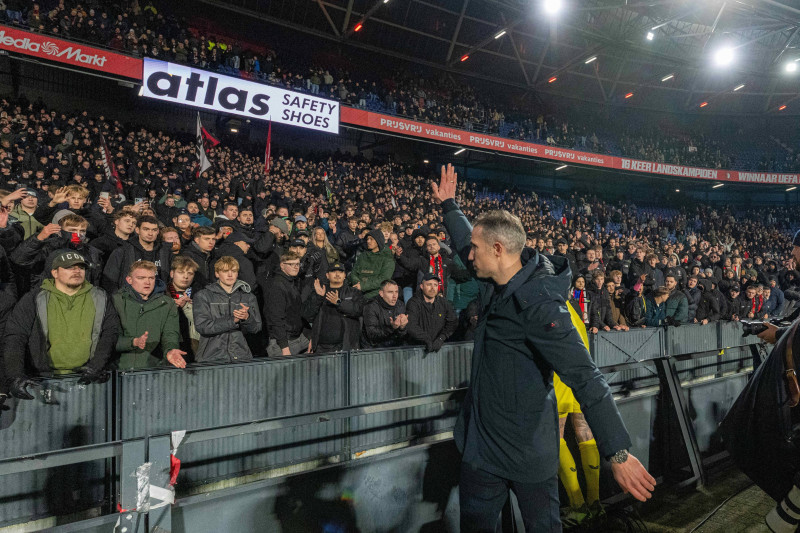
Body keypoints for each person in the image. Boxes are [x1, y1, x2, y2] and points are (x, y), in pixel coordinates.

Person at [433, 164, 654, 532]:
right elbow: (464, 242)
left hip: (529, 458)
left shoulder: (542, 306)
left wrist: (617, 452)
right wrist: (450, 206)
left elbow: (585, 376)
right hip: (482, 453)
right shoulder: (494, 279)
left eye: (476, 249)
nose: (469, 256)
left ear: (499, 250)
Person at [2, 250, 120, 399]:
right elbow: (15, 336)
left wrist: (97, 366)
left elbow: (110, 332)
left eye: (81, 267)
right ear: (55, 273)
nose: (77, 271)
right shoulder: (34, 298)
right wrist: (15, 375)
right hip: (43, 381)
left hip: (88, 380)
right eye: (69, 267)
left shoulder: (101, 297)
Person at [112, 260, 185, 369]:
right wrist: (134, 342)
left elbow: (170, 334)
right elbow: (110, 339)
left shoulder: (167, 303)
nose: (147, 282)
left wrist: (170, 350)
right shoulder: (116, 301)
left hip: (153, 368)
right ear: (129, 280)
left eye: (151, 278)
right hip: (120, 368)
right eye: (141, 278)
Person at [193, 256, 261, 362]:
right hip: (211, 358)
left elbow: (256, 327)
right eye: (225, 271)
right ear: (217, 274)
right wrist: (233, 320)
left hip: (240, 356)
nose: (230, 275)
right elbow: (202, 326)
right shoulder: (203, 296)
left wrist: (247, 318)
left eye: (233, 271)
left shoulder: (248, 296)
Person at [303, 262, 364, 353]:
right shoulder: (319, 291)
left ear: (345, 275)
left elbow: (359, 310)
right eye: (333, 271)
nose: (337, 274)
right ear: (327, 275)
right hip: (321, 346)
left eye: (340, 272)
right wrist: (318, 297)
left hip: (346, 346)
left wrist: (339, 303)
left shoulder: (354, 293)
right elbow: (307, 316)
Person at [102, 215, 173, 293]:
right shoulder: (122, 251)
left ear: (158, 232)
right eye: (146, 229)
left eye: (154, 230)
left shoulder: (165, 252)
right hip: (129, 300)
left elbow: (171, 280)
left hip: (159, 300)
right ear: (137, 230)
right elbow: (109, 281)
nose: (150, 233)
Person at [264, 251, 310, 356]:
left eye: (297, 264)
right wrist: (284, 347)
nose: (295, 267)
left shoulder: (292, 282)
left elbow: (298, 313)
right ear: (282, 266)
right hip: (283, 343)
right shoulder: (277, 286)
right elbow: (275, 319)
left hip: (297, 337)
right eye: (291, 264)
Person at [406, 273, 458, 352]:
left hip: (438, 348)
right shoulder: (413, 303)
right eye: (429, 284)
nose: (433, 288)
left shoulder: (443, 302)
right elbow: (411, 325)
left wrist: (441, 338)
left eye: (435, 285)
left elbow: (453, 322)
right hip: (417, 349)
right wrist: (426, 339)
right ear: (421, 286)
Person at [349, 229, 395, 300]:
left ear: (378, 241)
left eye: (371, 239)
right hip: (357, 290)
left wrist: (363, 286)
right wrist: (357, 284)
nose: (368, 241)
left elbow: (384, 279)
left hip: (376, 295)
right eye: (367, 239)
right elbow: (354, 273)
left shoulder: (387, 258)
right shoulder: (363, 256)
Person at [361, 279, 409, 348]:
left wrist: (402, 328)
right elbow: (372, 335)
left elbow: (403, 335)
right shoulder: (371, 306)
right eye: (390, 292)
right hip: (374, 348)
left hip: (394, 346)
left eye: (396, 292)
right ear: (381, 293)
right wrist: (391, 328)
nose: (394, 296)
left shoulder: (400, 305)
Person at [168, 255, 200, 357]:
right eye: (181, 272)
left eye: (190, 273)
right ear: (172, 274)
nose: (186, 277)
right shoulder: (162, 295)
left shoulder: (201, 295)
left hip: (196, 349)